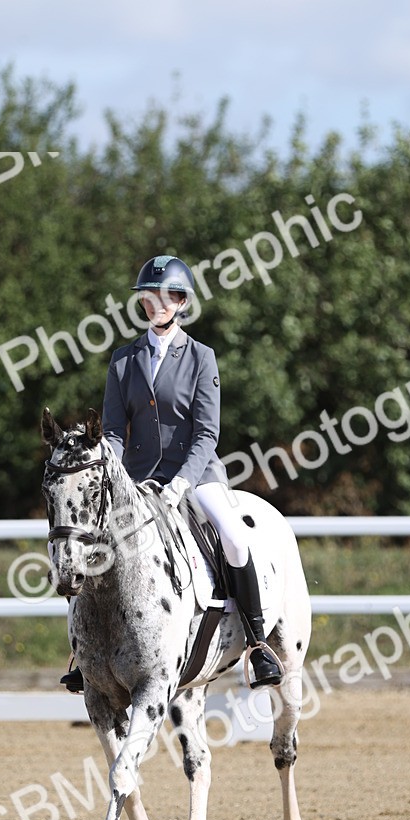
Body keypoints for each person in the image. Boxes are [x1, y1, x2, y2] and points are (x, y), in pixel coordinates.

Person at [60, 254, 283, 691]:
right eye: (151, 295)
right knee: (93, 546)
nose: (159, 303)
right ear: (143, 301)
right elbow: (113, 433)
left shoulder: (201, 357)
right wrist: (119, 480)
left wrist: (181, 481)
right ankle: (83, 653)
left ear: (181, 301)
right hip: (138, 481)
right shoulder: (124, 361)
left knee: (235, 538)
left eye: (169, 296)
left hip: (197, 476)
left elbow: (207, 433)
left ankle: (258, 644)